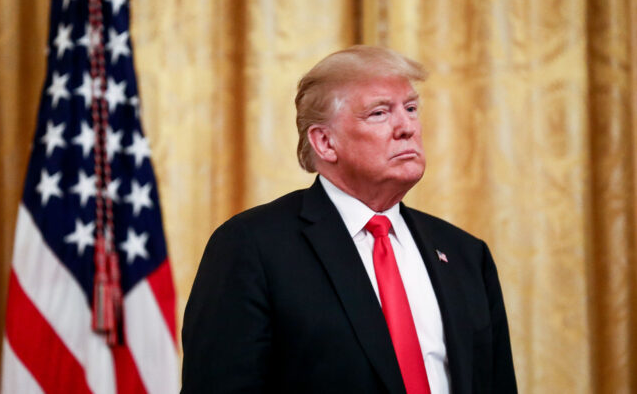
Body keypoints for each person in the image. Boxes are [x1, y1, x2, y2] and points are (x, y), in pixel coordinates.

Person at [181, 45, 517, 394]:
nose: (407, 127)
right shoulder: (252, 247)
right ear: (325, 142)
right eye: (379, 113)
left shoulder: (464, 254)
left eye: (411, 108)